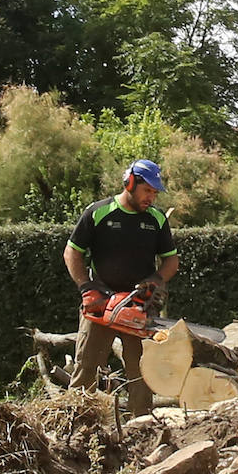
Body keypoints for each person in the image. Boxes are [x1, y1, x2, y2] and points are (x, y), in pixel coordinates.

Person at [61, 159, 180, 416]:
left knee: (143, 372)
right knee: (86, 368)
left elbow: (171, 260)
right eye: (147, 190)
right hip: (101, 302)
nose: (151, 197)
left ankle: (142, 427)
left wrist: (156, 281)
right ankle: (75, 425)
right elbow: (72, 252)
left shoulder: (156, 220)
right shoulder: (98, 212)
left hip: (138, 303)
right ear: (130, 183)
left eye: (155, 192)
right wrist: (86, 288)